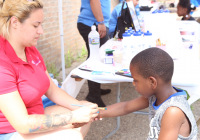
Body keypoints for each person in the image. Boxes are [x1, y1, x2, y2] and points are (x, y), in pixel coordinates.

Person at [0, 0, 99, 139]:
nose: (41, 31)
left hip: (35, 114)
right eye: (36, 25)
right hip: (9, 131)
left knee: (84, 118)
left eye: (41, 24)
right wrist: (71, 116)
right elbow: (22, 123)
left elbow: (51, 89)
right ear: (15, 22)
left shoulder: (30, 49)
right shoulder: (2, 63)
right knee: (71, 136)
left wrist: (80, 107)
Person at [98, 48, 198, 139]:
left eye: (136, 80)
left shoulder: (173, 112)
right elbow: (125, 107)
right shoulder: (155, 96)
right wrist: (97, 112)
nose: (133, 84)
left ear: (152, 82)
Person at [77, 0, 111, 107]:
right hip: (92, 24)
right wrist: (100, 22)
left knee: (98, 57)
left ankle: (96, 89)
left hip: (94, 22)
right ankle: (93, 96)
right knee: (95, 58)